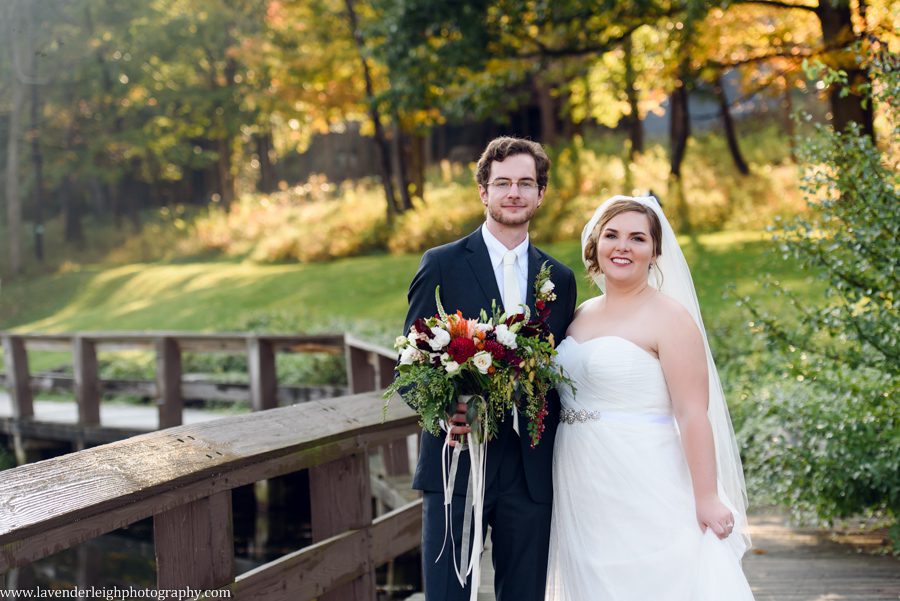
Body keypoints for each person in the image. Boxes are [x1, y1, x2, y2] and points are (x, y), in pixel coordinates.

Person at [545, 195, 754, 600]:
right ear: (595, 245)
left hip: (644, 471)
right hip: (581, 478)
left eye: (637, 238)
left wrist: (707, 497)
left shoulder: (670, 318)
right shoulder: (580, 314)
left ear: (655, 252)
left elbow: (693, 413)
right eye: (612, 235)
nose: (623, 246)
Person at [403, 136, 577, 601]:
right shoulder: (440, 264)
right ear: (483, 191)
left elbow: (558, 371)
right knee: (446, 595)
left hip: (530, 470)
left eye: (526, 183)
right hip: (458, 464)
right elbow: (410, 367)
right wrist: (446, 411)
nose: (514, 193)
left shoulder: (558, 278)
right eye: (502, 183)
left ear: (541, 193)